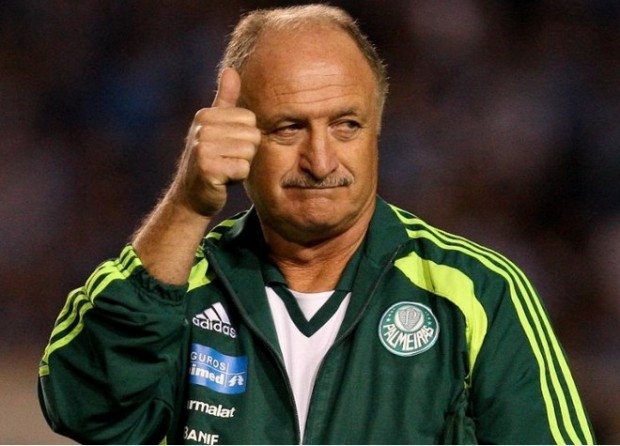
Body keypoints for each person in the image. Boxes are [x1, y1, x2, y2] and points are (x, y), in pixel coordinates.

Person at [38, 4, 595, 445]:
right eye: (289, 128)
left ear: (378, 130)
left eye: (346, 125)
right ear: (239, 136)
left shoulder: (478, 294)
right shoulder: (182, 291)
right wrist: (187, 204)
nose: (322, 161)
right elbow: (84, 408)